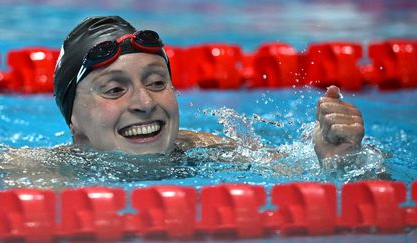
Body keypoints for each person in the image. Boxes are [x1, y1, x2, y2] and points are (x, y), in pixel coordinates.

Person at [53, 16, 364, 164]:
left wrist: (339, 160)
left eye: (157, 83)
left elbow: (294, 175)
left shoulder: (206, 151)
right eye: (114, 89)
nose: (145, 103)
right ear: (74, 121)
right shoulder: (40, 174)